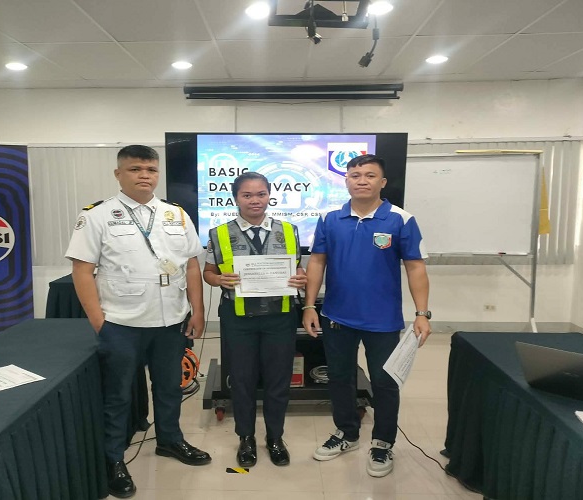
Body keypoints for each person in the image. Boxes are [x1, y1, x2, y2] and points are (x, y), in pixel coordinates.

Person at [65, 145, 211, 499]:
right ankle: (114, 459)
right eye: (135, 169)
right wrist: (100, 322)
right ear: (119, 174)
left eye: (151, 169)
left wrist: (198, 310)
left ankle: (170, 440)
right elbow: (82, 271)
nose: (144, 175)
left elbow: (191, 265)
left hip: (170, 321)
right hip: (122, 323)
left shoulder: (176, 214)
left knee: (169, 387)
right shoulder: (98, 215)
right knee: (118, 395)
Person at [302, 153, 431, 478]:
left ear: (382, 182)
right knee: (339, 377)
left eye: (370, 175)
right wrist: (309, 305)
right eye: (355, 175)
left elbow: (415, 267)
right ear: (346, 181)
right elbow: (317, 261)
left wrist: (422, 313)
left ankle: (383, 443)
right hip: (337, 316)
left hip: (382, 321)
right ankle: (347, 433)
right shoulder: (330, 218)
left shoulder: (401, 219)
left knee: (385, 383)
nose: (362, 181)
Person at [203, 171, 306, 468]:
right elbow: (208, 272)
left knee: (278, 380)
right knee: (242, 380)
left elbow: (298, 269)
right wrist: (218, 280)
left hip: (280, 316)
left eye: (261, 194)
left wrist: (300, 278)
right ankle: (245, 438)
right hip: (239, 319)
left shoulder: (289, 230)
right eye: (247, 195)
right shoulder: (219, 233)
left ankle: (275, 438)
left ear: (269, 196)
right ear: (236, 198)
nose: (255, 200)